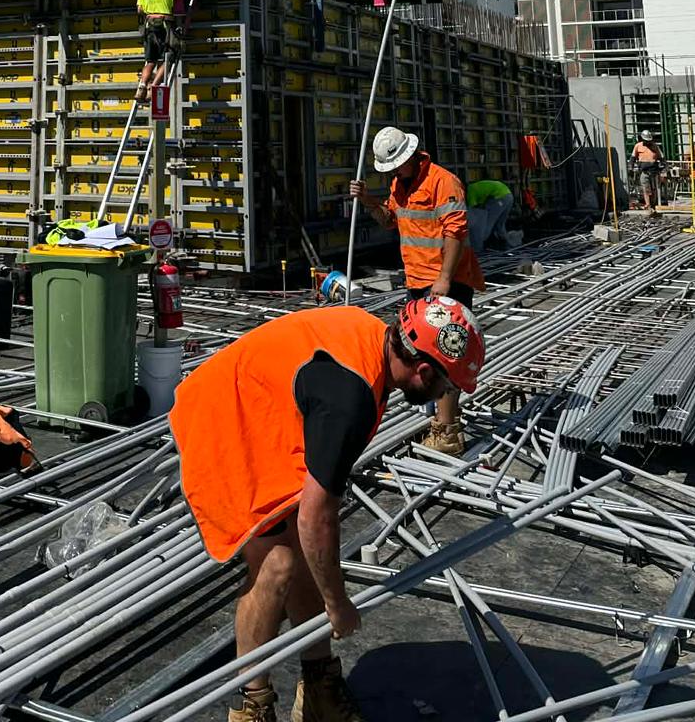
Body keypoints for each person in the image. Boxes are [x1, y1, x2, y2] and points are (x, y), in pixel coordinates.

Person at [171, 296, 484, 722]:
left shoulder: (371, 340)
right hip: (224, 421)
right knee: (278, 563)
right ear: (423, 370)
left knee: (304, 554)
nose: (445, 396)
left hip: (263, 407)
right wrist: (338, 604)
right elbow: (316, 518)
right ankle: (250, 705)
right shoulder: (350, 397)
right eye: (446, 387)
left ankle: (319, 687)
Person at [349, 126, 484, 456]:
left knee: (446, 353)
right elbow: (389, 221)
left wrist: (444, 279)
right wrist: (368, 201)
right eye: (390, 168)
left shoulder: (443, 182)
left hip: (447, 281)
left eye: (396, 165)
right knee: (422, 354)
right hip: (418, 281)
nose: (393, 171)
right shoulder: (399, 184)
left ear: (410, 156)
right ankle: (441, 416)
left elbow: (455, 233)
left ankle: (448, 431)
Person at [135, 0, 185, 103]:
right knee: (169, 57)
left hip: (150, 24)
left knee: (150, 60)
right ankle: (153, 87)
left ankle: (142, 86)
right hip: (165, 22)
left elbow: (139, 9)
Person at [466, 179, 513, 252]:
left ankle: (480, 246)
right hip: (508, 195)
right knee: (500, 224)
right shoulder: (476, 187)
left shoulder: (470, 190)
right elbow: (481, 206)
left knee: (487, 223)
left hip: (499, 197)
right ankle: (506, 247)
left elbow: (474, 210)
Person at [630, 130, 664, 215]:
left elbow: (661, 158)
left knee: (654, 189)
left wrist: (664, 167)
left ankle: (653, 205)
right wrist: (631, 167)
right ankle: (648, 205)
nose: (648, 142)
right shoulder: (638, 146)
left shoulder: (655, 146)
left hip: (654, 172)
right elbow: (633, 158)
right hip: (644, 172)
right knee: (646, 189)